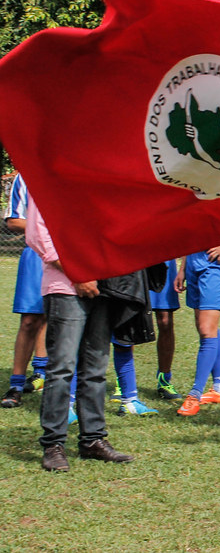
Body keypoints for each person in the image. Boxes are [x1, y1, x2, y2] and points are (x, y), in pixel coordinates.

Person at [25, 196, 134, 471]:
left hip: (104, 286)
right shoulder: (46, 182)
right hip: (65, 287)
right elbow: (39, 236)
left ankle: (93, 440)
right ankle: (53, 445)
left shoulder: (94, 184)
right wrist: (78, 275)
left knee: (96, 369)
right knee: (61, 368)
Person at [174, 241, 220, 416]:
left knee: (206, 329)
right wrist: (182, 269)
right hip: (194, 262)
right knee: (206, 327)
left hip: (216, 263)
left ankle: (194, 395)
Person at [2, 173, 48, 408]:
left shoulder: (72, 167)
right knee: (30, 320)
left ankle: (42, 374)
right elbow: (13, 220)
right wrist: (50, 228)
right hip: (37, 255)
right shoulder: (26, 175)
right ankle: (16, 385)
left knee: (57, 317)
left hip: (70, 255)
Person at [150, 259, 182, 399]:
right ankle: (122, 383)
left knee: (165, 321)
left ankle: (164, 380)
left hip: (163, 259)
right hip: (134, 258)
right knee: (129, 319)